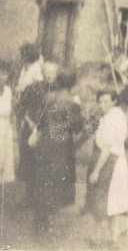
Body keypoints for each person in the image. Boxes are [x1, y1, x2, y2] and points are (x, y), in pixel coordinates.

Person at [31, 70, 83, 236]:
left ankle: (41, 220)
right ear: (72, 84)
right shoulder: (72, 103)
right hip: (62, 148)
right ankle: (49, 224)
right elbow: (77, 128)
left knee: (44, 181)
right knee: (57, 184)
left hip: (45, 145)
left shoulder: (47, 98)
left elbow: (39, 122)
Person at [84, 90, 128, 246]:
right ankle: (113, 238)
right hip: (117, 161)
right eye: (100, 101)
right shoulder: (116, 115)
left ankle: (96, 238)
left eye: (105, 101)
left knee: (101, 200)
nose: (102, 105)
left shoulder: (112, 118)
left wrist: (96, 171)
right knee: (112, 201)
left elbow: (106, 148)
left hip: (110, 162)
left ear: (114, 101)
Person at [16, 62, 59, 207]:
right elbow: (20, 107)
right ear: (42, 72)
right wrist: (29, 122)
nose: (49, 75)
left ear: (57, 74)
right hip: (33, 130)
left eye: (52, 73)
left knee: (49, 166)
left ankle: (48, 200)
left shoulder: (60, 90)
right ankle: (30, 197)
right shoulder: (32, 88)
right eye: (47, 72)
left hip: (51, 132)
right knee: (30, 163)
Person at [0, 69, 15, 183]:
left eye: (4, 74)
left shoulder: (8, 90)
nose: (2, 77)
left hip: (4, 125)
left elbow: (8, 110)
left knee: (4, 156)